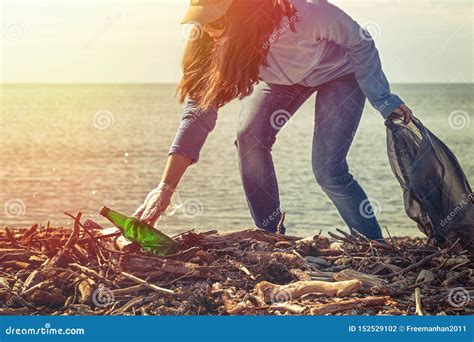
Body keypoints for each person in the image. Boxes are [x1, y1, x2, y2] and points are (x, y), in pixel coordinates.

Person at [133, 0, 413, 240]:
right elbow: (198, 113)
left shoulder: (304, 13)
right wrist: (165, 188)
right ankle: (272, 236)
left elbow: (360, 40)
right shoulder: (215, 41)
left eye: (215, 20)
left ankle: (374, 246)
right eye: (201, 20)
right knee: (249, 138)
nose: (208, 29)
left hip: (340, 75)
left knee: (328, 170)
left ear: (239, 13)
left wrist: (382, 98)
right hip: (283, 82)